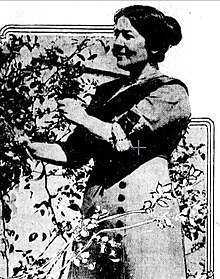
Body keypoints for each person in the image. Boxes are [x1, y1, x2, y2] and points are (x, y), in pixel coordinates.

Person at [26, 5, 191, 279]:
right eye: (116, 35)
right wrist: (23, 145)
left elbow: (125, 138)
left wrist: (82, 116)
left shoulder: (170, 93)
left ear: (152, 46)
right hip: (97, 225)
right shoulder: (106, 94)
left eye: (127, 36)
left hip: (144, 227)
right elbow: (72, 153)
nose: (116, 44)